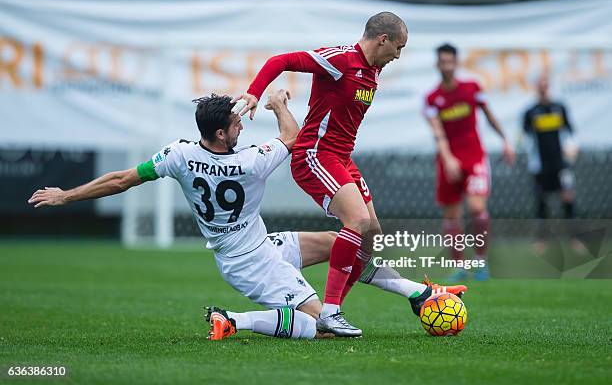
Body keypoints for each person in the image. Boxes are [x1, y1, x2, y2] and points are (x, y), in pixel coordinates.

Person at [29, 91, 466, 341]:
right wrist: (277, 104)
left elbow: (122, 179)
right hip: (251, 265)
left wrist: (67, 195)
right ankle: (232, 320)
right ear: (221, 133)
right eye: (237, 123)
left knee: (343, 245)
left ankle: (418, 295)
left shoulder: (179, 154)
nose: (242, 126)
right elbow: (292, 138)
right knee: (320, 328)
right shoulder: (250, 161)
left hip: (256, 245)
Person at [234, 12, 409, 336]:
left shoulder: (373, 69)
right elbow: (281, 60)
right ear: (383, 39)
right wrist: (254, 92)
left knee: (371, 233)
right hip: (314, 155)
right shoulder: (341, 59)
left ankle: (329, 316)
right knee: (356, 222)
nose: (398, 56)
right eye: (398, 47)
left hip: (341, 158)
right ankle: (330, 311)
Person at [423, 43, 515, 282]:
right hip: (448, 161)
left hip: (474, 158)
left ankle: (481, 262)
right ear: (437, 64)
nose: (446, 66)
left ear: (456, 63)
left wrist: (505, 139)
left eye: (450, 61)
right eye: (442, 62)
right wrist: (448, 158)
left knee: (477, 210)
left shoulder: (472, 88)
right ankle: (460, 266)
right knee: (452, 216)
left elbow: (489, 115)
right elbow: (437, 133)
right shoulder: (432, 99)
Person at [522, 75, 580, 252]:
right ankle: (542, 239)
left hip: (561, 164)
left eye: (546, 86)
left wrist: (572, 148)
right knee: (541, 199)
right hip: (540, 164)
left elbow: (570, 131)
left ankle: (574, 238)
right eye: (540, 86)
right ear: (536, 88)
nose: (543, 90)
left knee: (568, 196)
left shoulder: (559, 108)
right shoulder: (530, 112)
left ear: (550, 87)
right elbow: (525, 137)